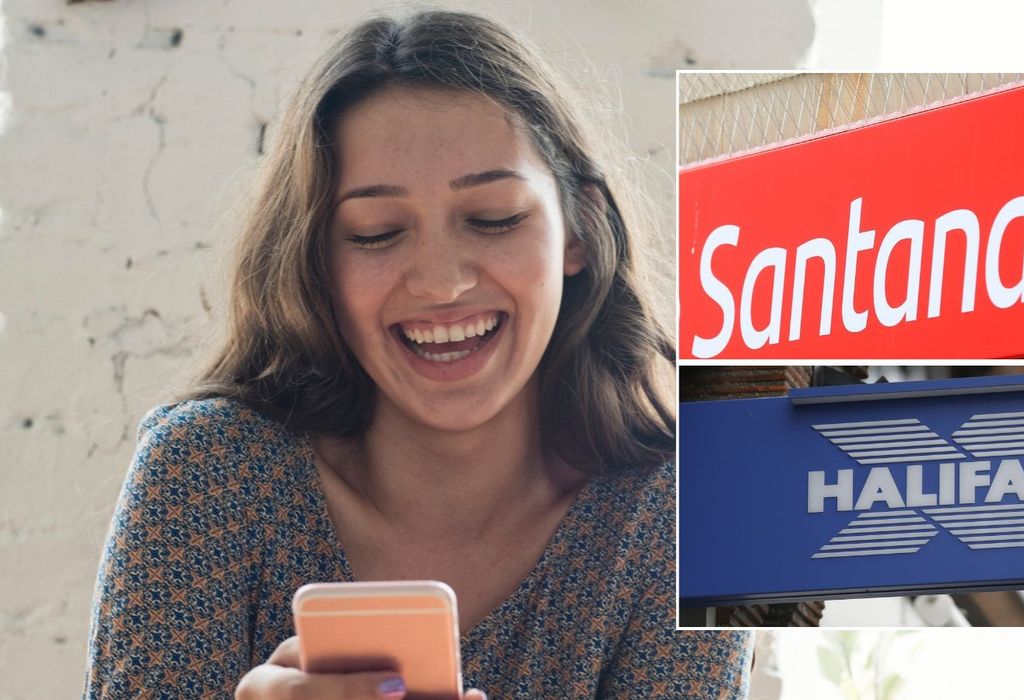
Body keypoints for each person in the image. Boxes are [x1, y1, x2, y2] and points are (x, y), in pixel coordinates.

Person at [84, 10, 751, 699]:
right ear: (316, 259)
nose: (440, 282)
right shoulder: (208, 478)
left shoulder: (686, 520)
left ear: (578, 231)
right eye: (375, 232)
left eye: (493, 218)